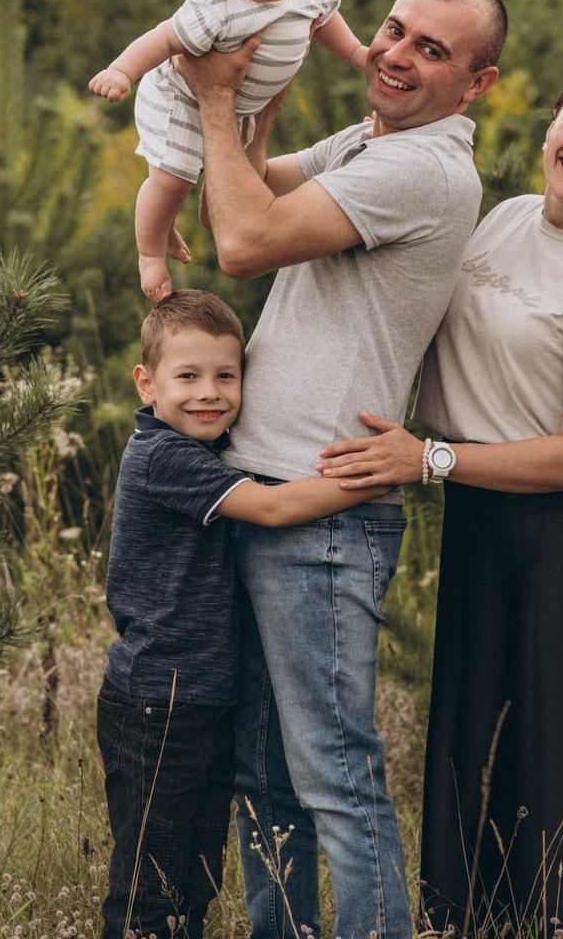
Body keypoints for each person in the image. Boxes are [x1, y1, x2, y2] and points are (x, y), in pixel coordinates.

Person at [318, 58, 563, 939]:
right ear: (553, 121)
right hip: (479, 509)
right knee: (473, 736)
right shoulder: (508, 217)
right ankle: (472, 920)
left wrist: (429, 460)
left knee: (556, 750)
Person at [179, 0, 508, 939]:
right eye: (395, 30)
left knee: (335, 777)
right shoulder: (376, 142)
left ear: (478, 85)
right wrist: (254, 99)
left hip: (324, 511)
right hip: (267, 487)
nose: (397, 54)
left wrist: (210, 98)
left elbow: (241, 243)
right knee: (264, 775)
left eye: (432, 50)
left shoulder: (424, 170)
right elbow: (243, 192)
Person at [97, 289, 390, 939]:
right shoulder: (162, 458)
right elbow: (274, 508)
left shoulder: (202, 447)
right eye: (188, 376)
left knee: (193, 882)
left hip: (198, 700)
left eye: (226, 376)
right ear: (146, 383)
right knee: (153, 889)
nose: (210, 393)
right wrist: (379, 476)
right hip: (158, 705)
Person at [88, 0, 369, 303]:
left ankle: (183, 218)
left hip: (241, 105)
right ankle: (149, 251)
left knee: (232, 181)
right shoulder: (217, 7)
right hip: (180, 97)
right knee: (172, 180)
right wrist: (122, 71)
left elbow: (327, 21)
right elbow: (164, 38)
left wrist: (357, 54)